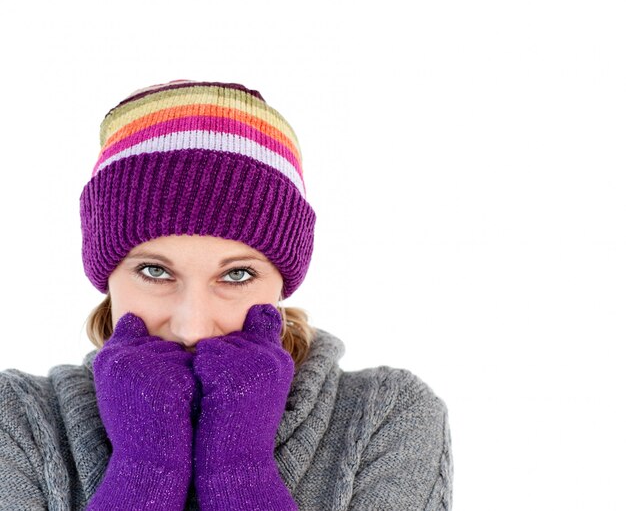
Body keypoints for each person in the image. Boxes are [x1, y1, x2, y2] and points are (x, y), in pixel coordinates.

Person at [0, 80, 453, 510]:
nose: (193, 325)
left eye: (236, 275)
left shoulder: (386, 416)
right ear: (107, 276)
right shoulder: (18, 422)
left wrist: (239, 471)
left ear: (281, 280)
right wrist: (144, 470)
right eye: (154, 271)